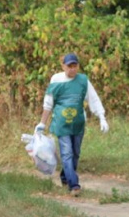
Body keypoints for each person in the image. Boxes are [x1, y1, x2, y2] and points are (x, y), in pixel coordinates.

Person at [36, 53, 109, 196]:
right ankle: (74, 185)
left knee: (75, 154)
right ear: (63, 66)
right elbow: (48, 104)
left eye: (75, 66)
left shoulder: (83, 81)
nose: (72, 69)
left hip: (78, 124)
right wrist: (42, 124)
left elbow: (93, 99)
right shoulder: (56, 80)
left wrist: (101, 116)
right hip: (62, 125)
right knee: (67, 153)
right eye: (69, 66)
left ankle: (65, 177)